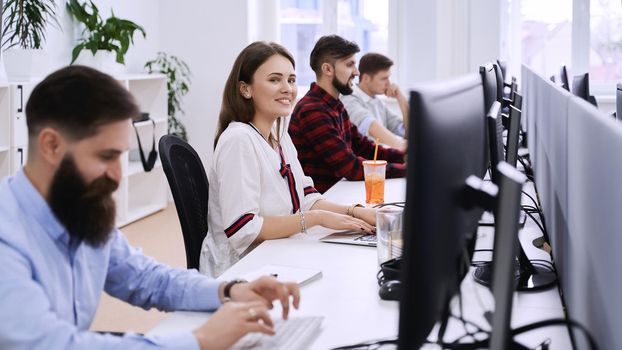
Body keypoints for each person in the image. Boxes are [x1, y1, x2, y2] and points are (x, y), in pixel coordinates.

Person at [0, 66, 300, 350]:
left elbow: (147, 279)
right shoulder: (8, 236)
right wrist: (201, 341)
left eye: (122, 156)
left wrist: (229, 291)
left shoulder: (77, 207)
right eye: (106, 156)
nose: (117, 176)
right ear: (52, 146)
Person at [201, 41, 378, 278]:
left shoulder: (278, 135)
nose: (287, 88)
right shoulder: (239, 140)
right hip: (242, 271)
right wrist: (316, 219)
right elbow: (243, 229)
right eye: (275, 80)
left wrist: (354, 212)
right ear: (245, 89)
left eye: (291, 80)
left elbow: (304, 197)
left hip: (275, 252)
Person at [289, 35, 406, 193]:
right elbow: (351, 168)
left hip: (340, 194)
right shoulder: (312, 110)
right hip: (324, 202)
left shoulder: (336, 106)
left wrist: (405, 156)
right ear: (328, 69)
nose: (357, 72)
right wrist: (406, 170)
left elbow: (364, 147)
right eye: (350, 65)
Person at [341, 52, 409, 151]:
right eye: (384, 78)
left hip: (381, 159)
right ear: (366, 78)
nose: (389, 83)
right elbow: (369, 124)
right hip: (364, 162)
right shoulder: (349, 97)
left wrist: (401, 98)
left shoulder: (378, 102)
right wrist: (402, 145)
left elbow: (405, 131)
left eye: (389, 78)